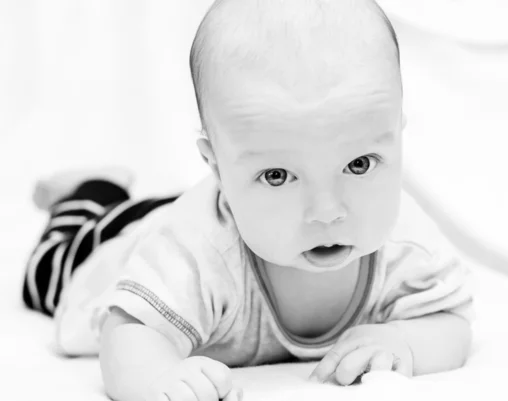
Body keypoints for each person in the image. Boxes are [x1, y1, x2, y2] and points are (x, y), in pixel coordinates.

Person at [22, 1, 475, 400]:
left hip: (210, 208)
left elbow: (450, 322)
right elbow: (127, 333)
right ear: (216, 165)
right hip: (124, 242)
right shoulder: (194, 255)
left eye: (359, 165)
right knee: (48, 272)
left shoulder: (405, 244)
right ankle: (87, 192)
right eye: (277, 175)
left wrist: (405, 341)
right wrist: (159, 376)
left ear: (397, 133)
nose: (327, 211)